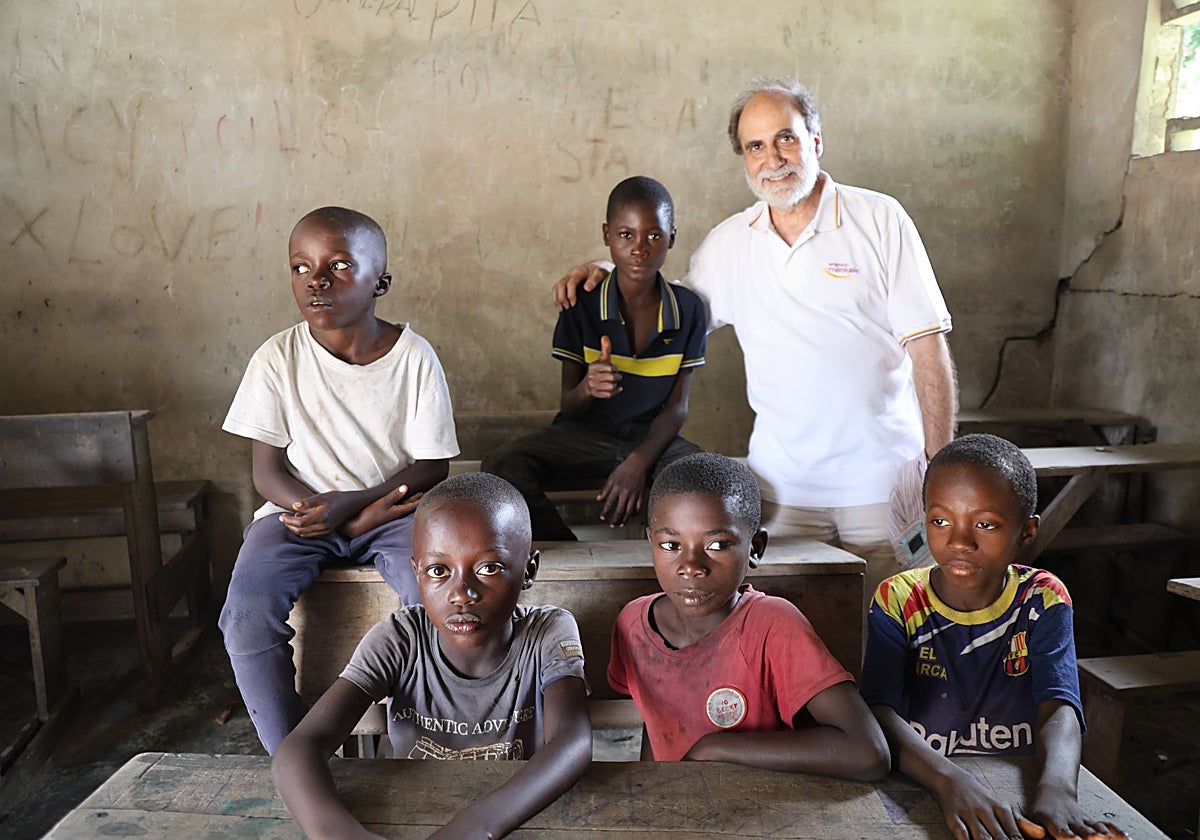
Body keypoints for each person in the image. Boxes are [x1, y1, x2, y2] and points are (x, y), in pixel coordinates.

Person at [555, 78, 956, 594]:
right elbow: (669, 309)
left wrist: (940, 472)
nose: (773, 158)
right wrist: (610, 269)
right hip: (781, 494)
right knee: (795, 633)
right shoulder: (731, 244)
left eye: (786, 138)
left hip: (883, 486)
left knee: (898, 626)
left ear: (815, 140)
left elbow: (927, 347)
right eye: (755, 146)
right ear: (744, 158)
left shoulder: (879, 219)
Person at [220, 206, 460, 754]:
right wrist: (324, 512)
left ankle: (419, 746)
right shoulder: (277, 358)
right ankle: (291, 755)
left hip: (394, 512)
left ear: (381, 282)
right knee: (245, 615)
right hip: (298, 515)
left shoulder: (413, 357)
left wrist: (355, 508)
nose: (317, 281)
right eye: (301, 268)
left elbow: (433, 466)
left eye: (339, 265)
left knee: (431, 601)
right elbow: (266, 472)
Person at [271, 472, 592, 840]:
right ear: (417, 573)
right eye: (439, 571)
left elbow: (572, 744)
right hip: (411, 812)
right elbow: (299, 748)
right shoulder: (401, 638)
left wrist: (476, 830)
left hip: (516, 817)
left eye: (488, 568)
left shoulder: (548, 631)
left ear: (528, 572)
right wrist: (341, 834)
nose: (461, 593)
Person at [860, 434, 1127, 840]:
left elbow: (1059, 705)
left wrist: (1057, 791)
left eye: (985, 524)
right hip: (922, 783)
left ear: (1027, 531)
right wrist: (950, 781)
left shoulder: (1042, 598)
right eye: (940, 521)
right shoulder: (899, 599)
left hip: (1016, 780)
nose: (959, 542)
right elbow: (878, 711)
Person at [608, 452, 891, 778]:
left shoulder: (774, 625)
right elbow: (656, 721)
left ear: (755, 547)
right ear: (651, 542)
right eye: (671, 545)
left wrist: (714, 749)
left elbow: (868, 752)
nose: (691, 567)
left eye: (717, 545)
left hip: (762, 801)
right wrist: (655, 785)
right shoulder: (633, 624)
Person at [484, 176, 706, 539]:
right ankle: (569, 552)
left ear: (672, 237)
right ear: (607, 235)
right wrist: (588, 387)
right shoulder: (581, 303)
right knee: (500, 466)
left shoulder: (688, 308)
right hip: (583, 435)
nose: (639, 249)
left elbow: (677, 409)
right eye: (626, 235)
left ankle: (661, 550)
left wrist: (638, 463)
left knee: (705, 478)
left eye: (653, 235)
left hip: (653, 439)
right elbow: (569, 407)